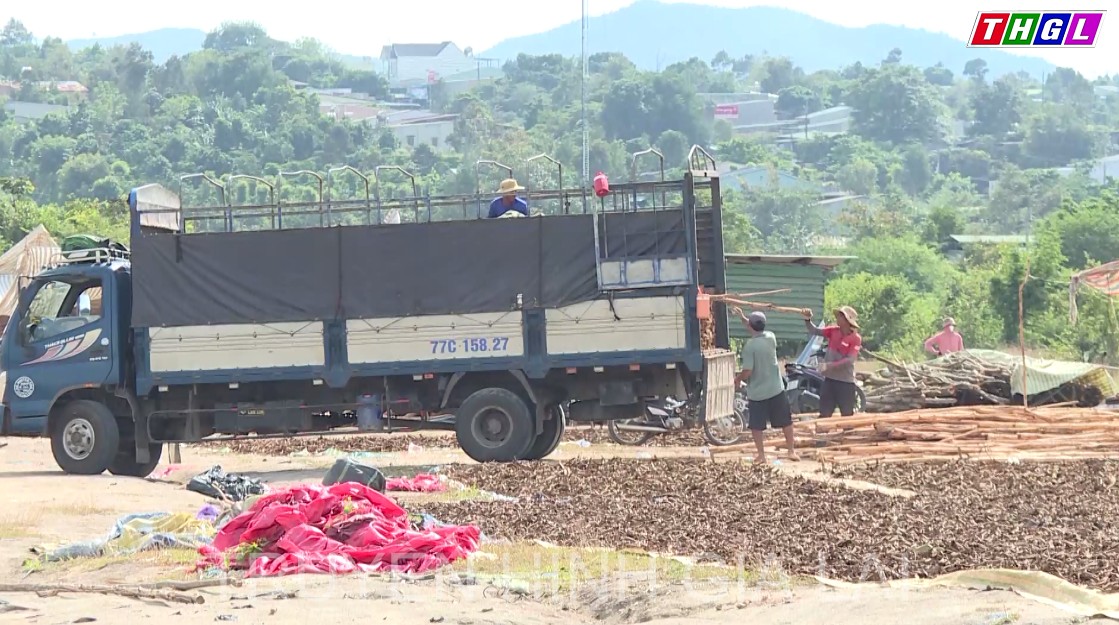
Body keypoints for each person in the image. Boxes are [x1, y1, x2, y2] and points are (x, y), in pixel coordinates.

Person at [733, 307, 799, 464]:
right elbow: (753, 326)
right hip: (776, 388)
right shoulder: (771, 337)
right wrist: (743, 317)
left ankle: (761, 455)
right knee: (786, 421)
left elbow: (748, 371)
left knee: (756, 425)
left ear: (750, 326)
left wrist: (737, 379)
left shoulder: (750, 347)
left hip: (758, 392)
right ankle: (791, 451)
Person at [801, 305, 862, 418]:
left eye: (840, 317)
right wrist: (807, 319)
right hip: (829, 380)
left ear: (847, 320)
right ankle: (822, 434)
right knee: (824, 413)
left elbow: (850, 360)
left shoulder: (855, 338)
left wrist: (829, 366)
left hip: (845, 383)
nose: (837, 319)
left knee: (847, 416)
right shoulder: (833, 331)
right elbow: (814, 330)